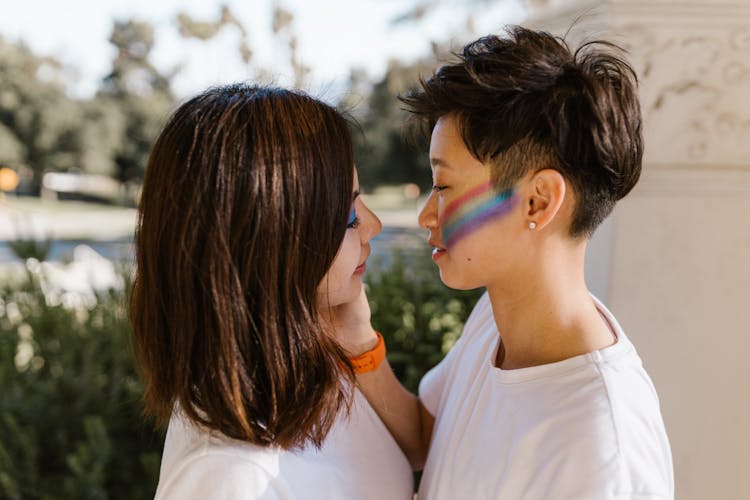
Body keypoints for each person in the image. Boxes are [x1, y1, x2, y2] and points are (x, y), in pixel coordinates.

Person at [334, 25, 674, 499]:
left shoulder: (601, 450)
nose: (426, 214)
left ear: (538, 202)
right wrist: (357, 337)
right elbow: (428, 439)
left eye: (445, 187)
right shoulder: (493, 318)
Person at [130, 83, 413, 499]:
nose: (373, 225)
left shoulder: (315, 367)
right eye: (349, 215)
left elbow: (418, 449)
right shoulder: (228, 477)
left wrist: (361, 345)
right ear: (271, 239)